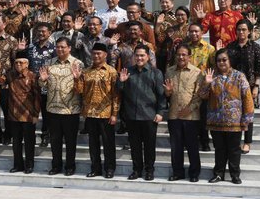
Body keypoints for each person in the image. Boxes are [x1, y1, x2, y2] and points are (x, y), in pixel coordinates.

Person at [199, 49, 254, 185]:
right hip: (216, 122)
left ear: (229, 61)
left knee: (234, 150)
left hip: (234, 121)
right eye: (219, 60)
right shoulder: (212, 76)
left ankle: (235, 175)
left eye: (224, 59)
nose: (221, 62)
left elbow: (247, 97)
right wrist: (206, 83)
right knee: (219, 149)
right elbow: (202, 95)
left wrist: (247, 119)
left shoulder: (239, 76)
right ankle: (218, 174)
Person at [118, 44, 166, 181]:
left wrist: (160, 112)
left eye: (142, 55)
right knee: (135, 146)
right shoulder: (127, 71)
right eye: (137, 55)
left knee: (150, 146)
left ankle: (149, 170)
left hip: (149, 116)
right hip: (132, 116)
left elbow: (161, 95)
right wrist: (121, 82)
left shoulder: (155, 73)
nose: (139, 58)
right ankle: (136, 170)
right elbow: (118, 92)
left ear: (148, 57)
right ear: (134, 56)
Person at [39, 37, 84, 176]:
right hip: (53, 108)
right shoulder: (50, 63)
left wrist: (77, 79)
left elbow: (81, 89)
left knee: (71, 142)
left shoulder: (77, 64)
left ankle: (70, 166)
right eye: (58, 47)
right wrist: (42, 80)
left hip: (71, 109)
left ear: (69, 48)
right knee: (55, 141)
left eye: (63, 47)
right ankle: (56, 166)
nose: (60, 49)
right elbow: (43, 87)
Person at [73, 43, 119, 179]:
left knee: (108, 143)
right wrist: (76, 78)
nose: (96, 56)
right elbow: (79, 91)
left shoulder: (112, 71)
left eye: (99, 53)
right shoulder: (86, 71)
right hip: (90, 113)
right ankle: (96, 168)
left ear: (105, 55)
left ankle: (110, 169)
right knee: (93, 144)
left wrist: (115, 114)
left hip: (106, 113)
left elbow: (116, 95)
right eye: (94, 53)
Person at [164, 44, 204, 183]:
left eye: (184, 55)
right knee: (176, 147)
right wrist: (167, 92)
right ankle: (178, 172)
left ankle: (194, 173)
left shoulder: (197, 72)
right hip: (174, 114)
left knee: (192, 146)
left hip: (191, 116)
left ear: (189, 56)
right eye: (178, 54)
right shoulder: (169, 71)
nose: (181, 57)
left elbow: (199, 95)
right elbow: (167, 94)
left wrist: (190, 108)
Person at [224, 19, 260, 153]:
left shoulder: (255, 47)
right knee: (234, 114)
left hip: (250, 85)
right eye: (239, 29)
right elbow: (226, 66)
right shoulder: (230, 47)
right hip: (233, 87)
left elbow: (259, 68)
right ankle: (234, 141)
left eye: (244, 29)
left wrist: (256, 87)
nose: (241, 32)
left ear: (249, 31)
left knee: (248, 115)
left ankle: (247, 142)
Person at [5, 51, 41, 174]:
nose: (18, 64)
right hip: (14, 114)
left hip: (28, 114)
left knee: (29, 142)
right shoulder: (10, 75)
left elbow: (37, 96)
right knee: (16, 142)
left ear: (27, 64)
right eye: (16, 62)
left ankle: (29, 165)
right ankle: (17, 165)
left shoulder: (33, 76)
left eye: (21, 62)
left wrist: (36, 114)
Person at [23, 22, 56, 147]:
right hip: (31, 86)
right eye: (39, 31)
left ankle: (45, 136)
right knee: (31, 112)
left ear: (49, 33)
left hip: (47, 86)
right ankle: (29, 136)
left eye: (44, 31)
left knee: (46, 114)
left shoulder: (53, 49)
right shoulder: (31, 47)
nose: (41, 33)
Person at [0, 14, 18, 145]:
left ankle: (8, 135)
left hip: (6, 83)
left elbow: (14, 62)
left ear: (4, 24)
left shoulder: (12, 41)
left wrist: (8, 79)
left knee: (7, 111)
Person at [187, 23, 215, 152]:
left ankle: (205, 142)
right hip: (188, 87)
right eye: (191, 31)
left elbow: (214, 68)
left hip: (203, 87)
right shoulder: (185, 48)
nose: (194, 34)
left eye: (196, 31)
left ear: (202, 33)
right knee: (191, 117)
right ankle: (192, 141)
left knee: (203, 116)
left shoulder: (209, 49)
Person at [140, 0, 177, 74]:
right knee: (158, 72)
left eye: (166, 2)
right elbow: (144, 14)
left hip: (171, 49)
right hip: (158, 49)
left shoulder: (177, 16)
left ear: (172, 3)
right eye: (162, 2)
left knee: (170, 72)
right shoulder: (157, 14)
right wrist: (142, 1)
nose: (164, 4)